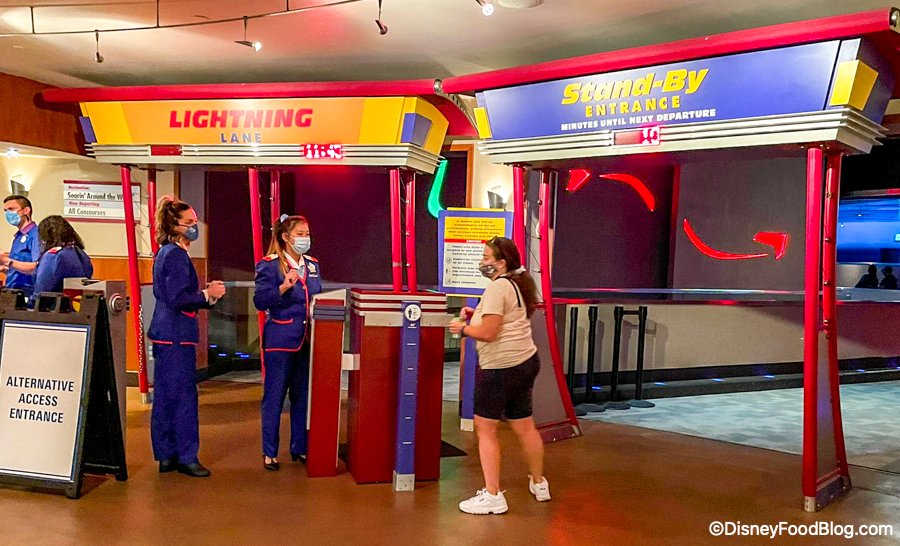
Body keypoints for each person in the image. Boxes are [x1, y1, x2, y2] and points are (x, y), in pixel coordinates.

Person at [449, 236, 549, 515]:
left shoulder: (497, 287)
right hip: (525, 363)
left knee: (485, 428)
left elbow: (489, 333)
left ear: (501, 263)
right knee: (524, 425)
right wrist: (476, 313)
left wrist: (463, 329)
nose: (481, 262)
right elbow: (505, 318)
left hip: (500, 369)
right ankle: (539, 483)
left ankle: (493, 495)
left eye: (485, 257)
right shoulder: (517, 284)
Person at [148, 196, 226, 478]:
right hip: (176, 335)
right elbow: (178, 298)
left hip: (166, 334)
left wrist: (204, 296)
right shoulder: (176, 255)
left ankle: (167, 454)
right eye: (190, 222)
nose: (195, 227)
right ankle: (186, 456)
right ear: (175, 225)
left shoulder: (165, 253)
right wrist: (207, 294)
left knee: (166, 396)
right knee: (183, 397)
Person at [254, 214, 322, 470]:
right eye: (300, 234)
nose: (305, 239)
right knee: (274, 398)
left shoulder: (313, 264)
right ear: (285, 237)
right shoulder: (270, 265)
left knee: (302, 397)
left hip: (307, 340)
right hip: (280, 341)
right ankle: (269, 452)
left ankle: (300, 447)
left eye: (307, 234)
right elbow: (260, 301)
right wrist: (282, 288)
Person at [32, 216, 93, 299]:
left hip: (55, 305)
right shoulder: (82, 254)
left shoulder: (53, 256)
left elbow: (41, 293)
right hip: (78, 304)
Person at [0, 195, 40, 300]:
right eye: (6, 211)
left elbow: (37, 267)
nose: (8, 214)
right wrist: (4, 268)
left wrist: (7, 261)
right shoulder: (18, 237)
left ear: (26, 210)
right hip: (12, 293)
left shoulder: (36, 235)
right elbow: (18, 267)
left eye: (11, 209)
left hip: (27, 295)